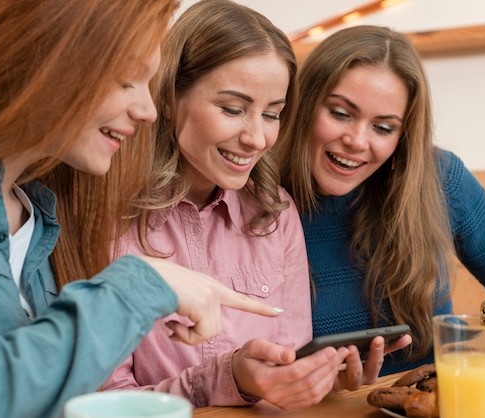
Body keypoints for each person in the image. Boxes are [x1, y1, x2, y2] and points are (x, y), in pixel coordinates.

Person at [0, 1, 284, 417]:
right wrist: (140, 285)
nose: (148, 111)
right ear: (44, 57)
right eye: (125, 81)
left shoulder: (38, 211)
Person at [98, 1, 411, 410]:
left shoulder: (275, 214)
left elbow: (286, 376)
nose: (256, 138)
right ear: (170, 96)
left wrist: (317, 381)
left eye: (272, 114)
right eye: (232, 109)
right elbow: (101, 401)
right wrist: (226, 379)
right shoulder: (107, 217)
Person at [276, 24, 485, 376]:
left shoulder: (439, 178)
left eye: (383, 127)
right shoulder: (256, 197)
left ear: (403, 136)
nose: (357, 141)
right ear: (304, 103)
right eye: (341, 113)